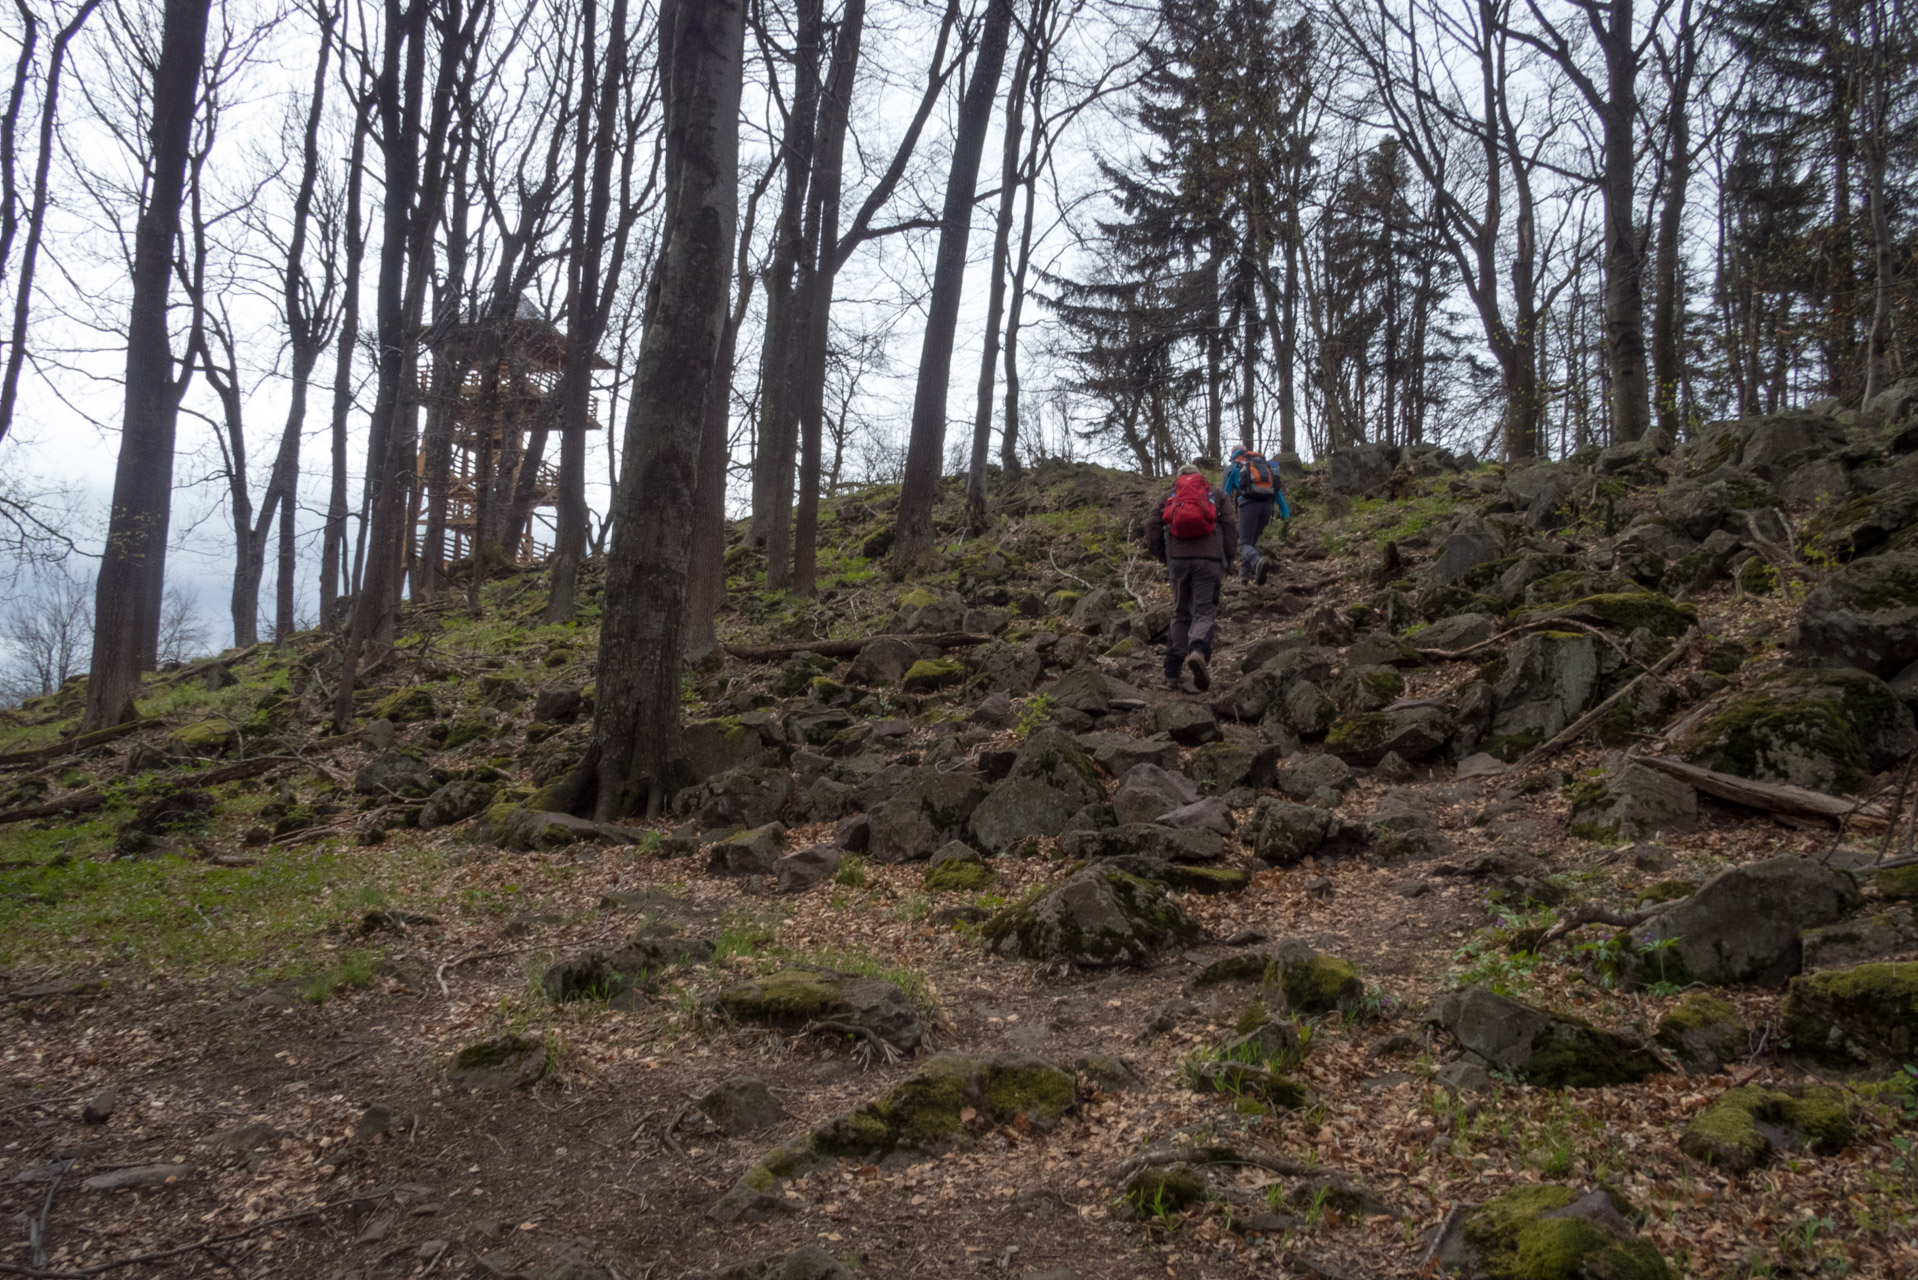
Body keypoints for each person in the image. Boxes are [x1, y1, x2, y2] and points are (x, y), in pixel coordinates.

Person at [1146, 462, 1238, 692]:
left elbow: (1151, 525)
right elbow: (1230, 526)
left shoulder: (1169, 496)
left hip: (1178, 562)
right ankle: (1197, 651)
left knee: (1180, 613)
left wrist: (1164, 556)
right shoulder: (1216, 494)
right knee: (1203, 612)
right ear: (1199, 477)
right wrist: (1227, 557)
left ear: (1178, 479)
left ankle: (1172, 673)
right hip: (1209, 562)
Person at [1223, 445, 1279, 585]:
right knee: (1250, 542)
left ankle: (1257, 562)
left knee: (1245, 542)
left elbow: (1225, 493)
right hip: (1267, 507)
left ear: (1233, 453)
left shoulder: (1235, 466)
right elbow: (1277, 490)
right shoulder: (1265, 465)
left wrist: (1222, 515)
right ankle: (1244, 575)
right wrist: (1285, 512)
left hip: (1248, 506)